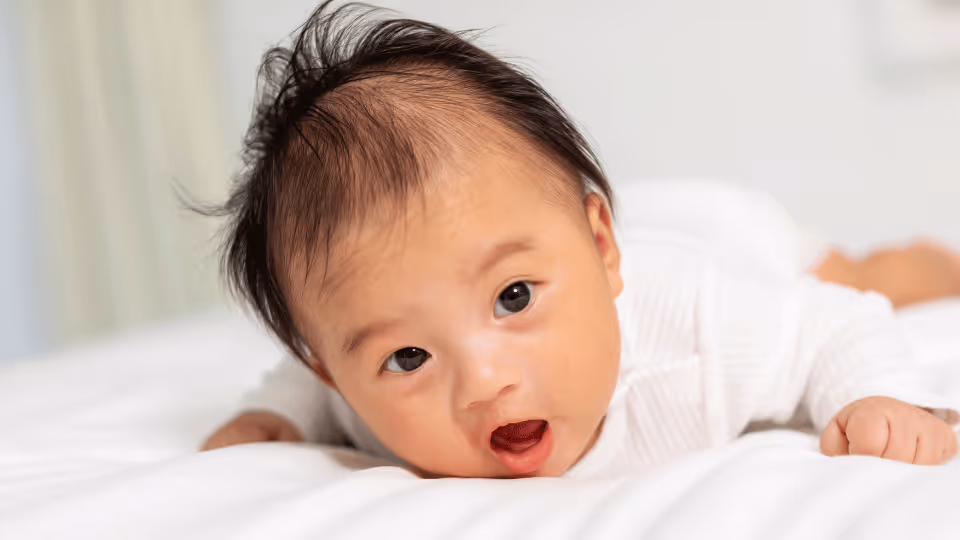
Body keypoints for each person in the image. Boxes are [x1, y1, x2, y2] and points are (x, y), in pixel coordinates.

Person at [199, 1, 960, 479]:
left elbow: (834, 325)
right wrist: (277, 416)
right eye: (410, 357)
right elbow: (311, 370)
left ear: (601, 248)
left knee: (858, 273)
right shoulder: (364, 391)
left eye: (515, 298)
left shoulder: (705, 325)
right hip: (571, 229)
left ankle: (923, 258)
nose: (485, 382)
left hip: (714, 231)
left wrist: (876, 395)